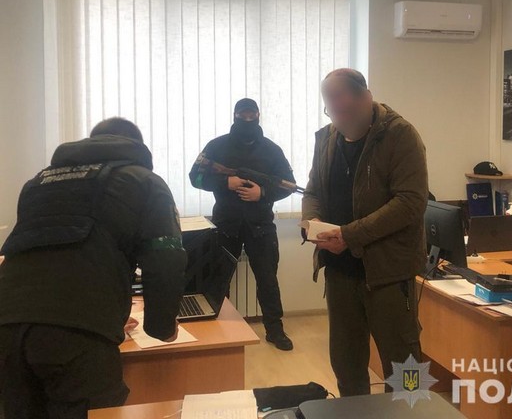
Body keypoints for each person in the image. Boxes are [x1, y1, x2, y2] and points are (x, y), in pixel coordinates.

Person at [0, 117, 187, 418]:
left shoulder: (39, 182)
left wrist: (109, 317)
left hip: (7, 323)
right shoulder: (144, 181)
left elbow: (45, 256)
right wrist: (162, 327)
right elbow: (165, 258)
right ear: (136, 146)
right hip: (76, 336)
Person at [302, 68, 429, 396]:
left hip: (388, 273)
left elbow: (410, 202)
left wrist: (350, 235)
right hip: (340, 272)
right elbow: (313, 191)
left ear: (366, 98)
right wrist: (311, 223)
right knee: (346, 365)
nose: (338, 118)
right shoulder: (327, 138)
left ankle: (411, 414)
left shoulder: (400, 136)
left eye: (344, 109)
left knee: (405, 369)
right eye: (331, 110)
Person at [189, 99, 295, 351]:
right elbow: (196, 178)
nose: (247, 119)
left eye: (251, 115)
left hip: (261, 226)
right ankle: (218, 329)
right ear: (235, 115)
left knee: (267, 280)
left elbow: (289, 185)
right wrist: (225, 183)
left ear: (258, 115)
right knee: (219, 280)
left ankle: (275, 330)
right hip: (226, 224)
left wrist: (262, 193)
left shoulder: (271, 150)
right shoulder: (216, 146)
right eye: (243, 115)